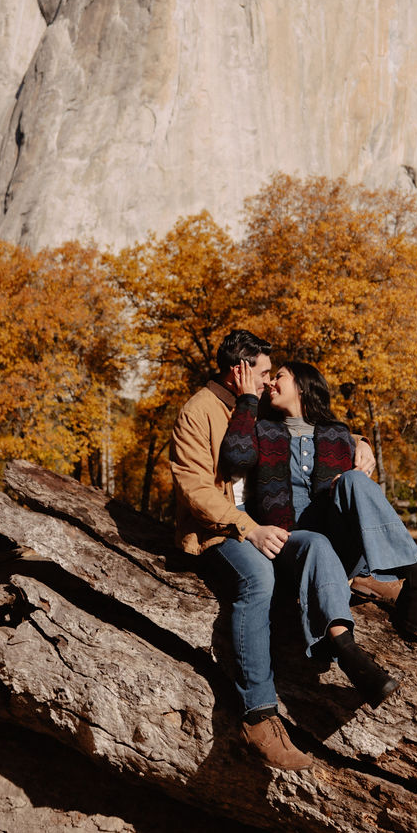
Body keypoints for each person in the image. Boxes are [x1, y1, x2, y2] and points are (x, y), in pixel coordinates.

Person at [220, 359, 417, 710]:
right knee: (315, 542)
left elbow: (350, 456)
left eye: (280, 378)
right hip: (292, 544)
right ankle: (349, 654)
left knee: (354, 480)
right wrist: (247, 400)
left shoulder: (336, 434)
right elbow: (235, 456)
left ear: (302, 386)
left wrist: (361, 442)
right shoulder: (261, 430)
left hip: (340, 544)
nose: (271, 383)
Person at [169, 328, 314, 770]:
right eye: (264, 372)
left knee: (316, 548)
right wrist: (248, 529)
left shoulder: (259, 406)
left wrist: (360, 444)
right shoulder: (197, 412)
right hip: (220, 533)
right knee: (258, 578)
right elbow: (195, 489)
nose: (272, 382)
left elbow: (314, 422)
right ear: (240, 371)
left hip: (269, 524)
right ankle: (258, 716)